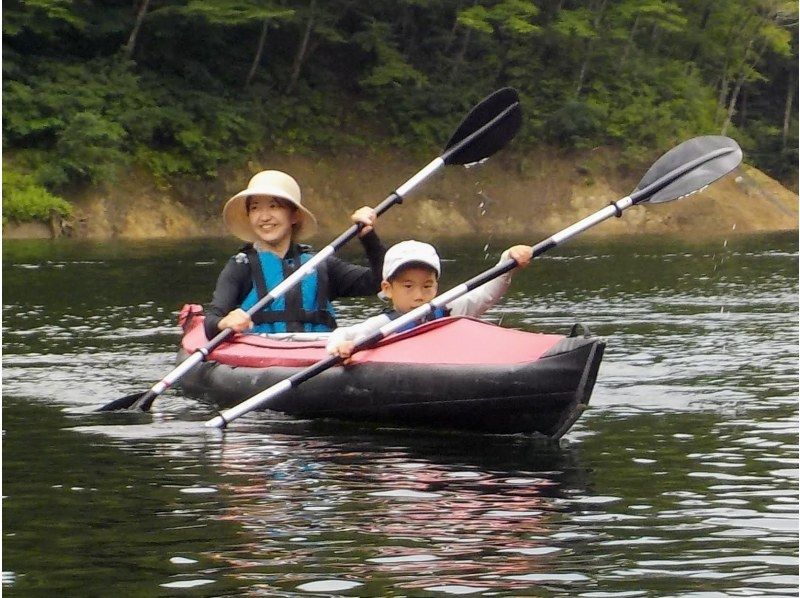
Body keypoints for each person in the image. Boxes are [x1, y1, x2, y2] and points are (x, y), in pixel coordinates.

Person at [204, 169, 386, 338]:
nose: (264, 216)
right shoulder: (241, 266)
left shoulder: (320, 264)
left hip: (317, 357)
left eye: (274, 206)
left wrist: (368, 237)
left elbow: (380, 282)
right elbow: (212, 319)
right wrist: (225, 322)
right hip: (260, 361)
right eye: (255, 208)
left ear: (294, 216)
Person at [326, 239, 533, 358]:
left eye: (427, 286)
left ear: (436, 286)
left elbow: (485, 294)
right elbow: (343, 334)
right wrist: (340, 349)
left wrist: (507, 263)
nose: (419, 296)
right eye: (408, 286)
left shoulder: (447, 310)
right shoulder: (384, 324)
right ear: (388, 289)